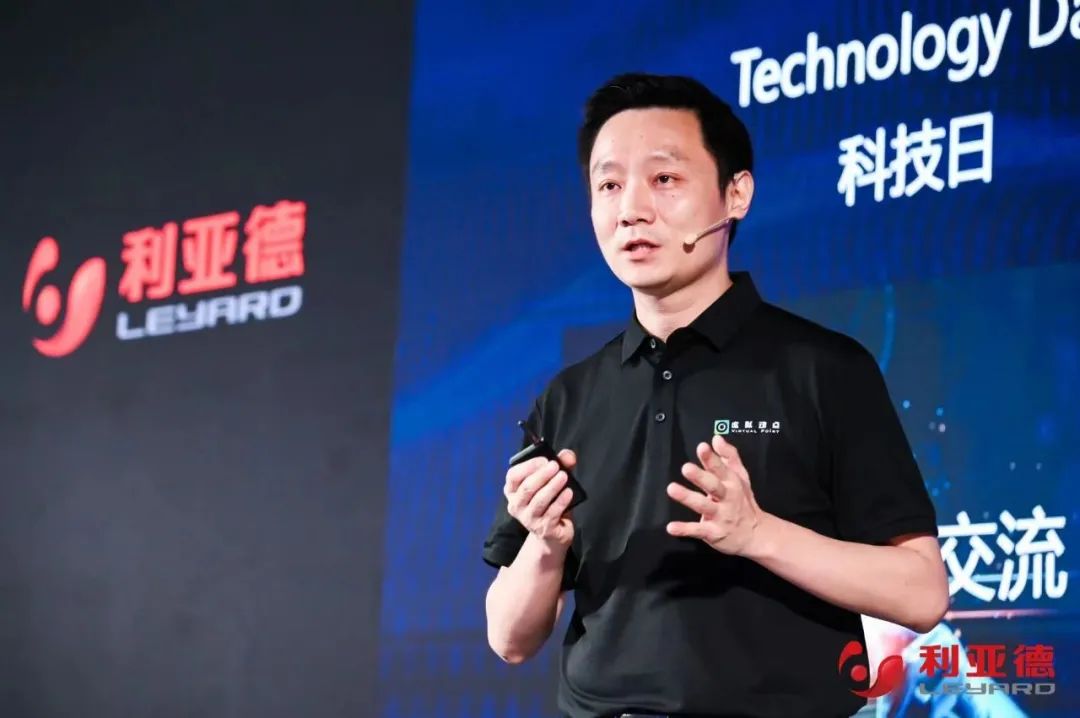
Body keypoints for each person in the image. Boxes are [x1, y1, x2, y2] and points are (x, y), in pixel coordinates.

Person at [481, 72, 949, 718]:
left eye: (664, 178)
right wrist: (545, 544)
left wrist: (758, 534)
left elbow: (922, 594)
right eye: (609, 185)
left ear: (736, 195)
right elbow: (509, 639)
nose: (631, 209)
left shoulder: (823, 368)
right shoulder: (569, 397)